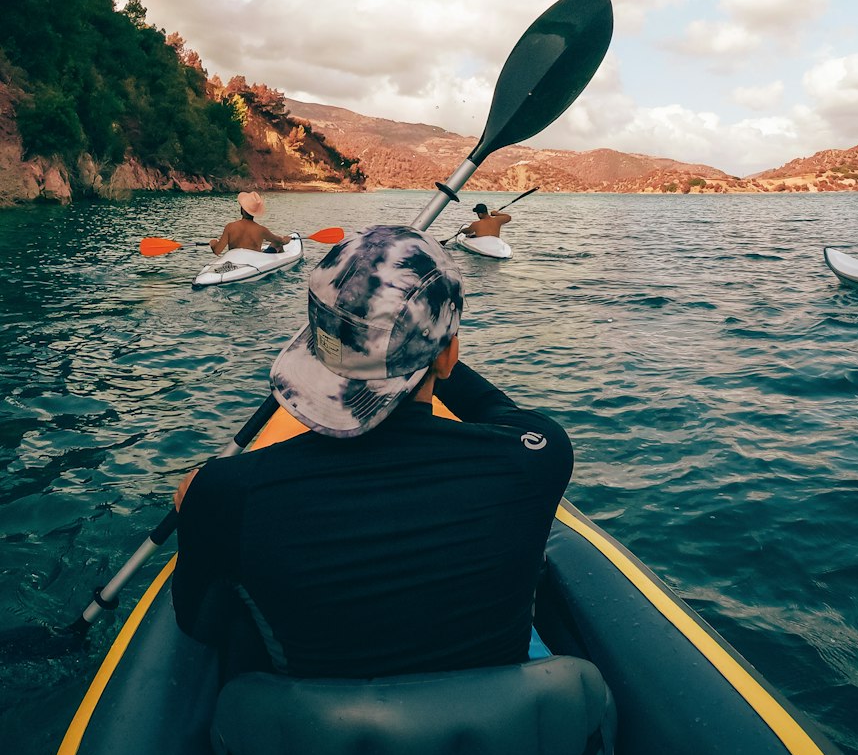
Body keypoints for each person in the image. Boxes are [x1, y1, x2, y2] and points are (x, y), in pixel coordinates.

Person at [172, 225, 572, 680]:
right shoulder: (538, 456)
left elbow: (199, 626)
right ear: (447, 356)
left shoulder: (224, 492)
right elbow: (493, 406)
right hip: (505, 738)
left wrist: (196, 511)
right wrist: (422, 340)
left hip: (316, 742)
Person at [210, 192, 289, 255]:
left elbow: (217, 251)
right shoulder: (261, 230)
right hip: (254, 262)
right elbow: (279, 241)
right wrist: (285, 240)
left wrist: (213, 244)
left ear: (242, 209)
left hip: (235, 260)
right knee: (277, 244)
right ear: (255, 213)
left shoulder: (230, 227)